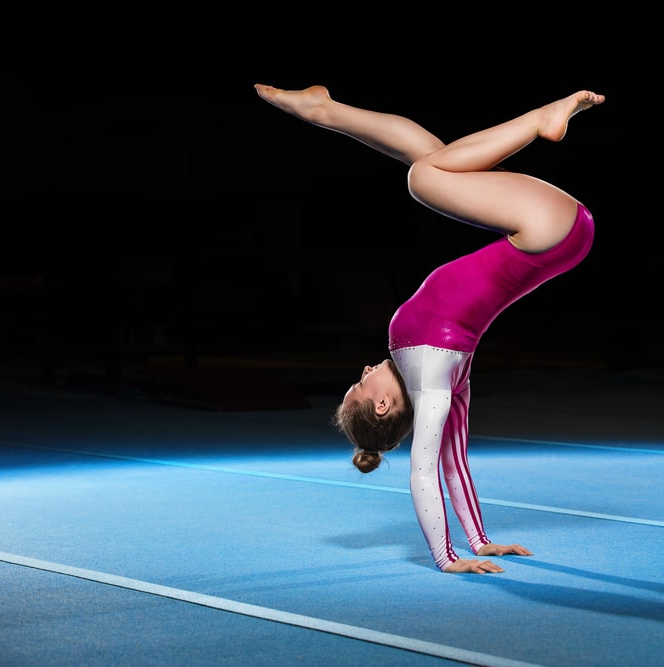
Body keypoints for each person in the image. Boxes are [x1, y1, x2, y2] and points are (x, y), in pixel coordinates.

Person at [255, 82, 604, 573]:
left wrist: (481, 541)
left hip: (556, 237)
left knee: (433, 159)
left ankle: (327, 111)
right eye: (360, 382)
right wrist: (445, 557)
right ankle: (539, 118)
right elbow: (425, 470)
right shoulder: (433, 379)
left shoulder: (430, 369)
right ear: (381, 404)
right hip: (546, 230)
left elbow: (454, 463)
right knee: (423, 175)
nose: (363, 369)